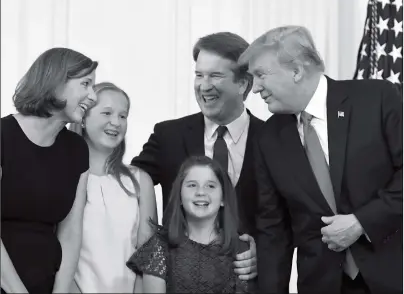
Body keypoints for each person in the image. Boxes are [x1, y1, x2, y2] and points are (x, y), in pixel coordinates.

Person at [238, 25, 403, 294]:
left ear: (296, 70)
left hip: (393, 276)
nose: (254, 88)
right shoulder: (268, 137)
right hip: (321, 284)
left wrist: (362, 222)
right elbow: (273, 230)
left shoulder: (376, 99)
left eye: (260, 75)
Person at [131, 32, 264, 280]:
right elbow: (129, 186)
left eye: (215, 75)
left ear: (243, 84)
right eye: (199, 75)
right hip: (179, 282)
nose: (204, 86)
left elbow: (294, 215)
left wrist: (265, 254)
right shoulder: (168, 135)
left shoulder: (273, 139)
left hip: (248, 284)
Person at [1, 47, 98, 293]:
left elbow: (71, 231)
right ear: (55, 81)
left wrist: (61, 290)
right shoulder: (3, 136)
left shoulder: (77, 149)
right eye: (86, 84)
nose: (93, 96)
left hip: (45, 282)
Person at [68, 82, 157, 293]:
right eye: (107, 113)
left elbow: (148, 256)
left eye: (123, 116)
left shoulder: (140, 181)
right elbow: (56, 252)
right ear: (82, 119)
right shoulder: (63, 179)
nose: (116, 122)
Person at [127, 155, 254, 293]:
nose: (200, 192)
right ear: (180, 195)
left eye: (210, 186)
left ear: (223, 198)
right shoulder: (159, 248)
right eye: (192, 185)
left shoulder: (242, 251)